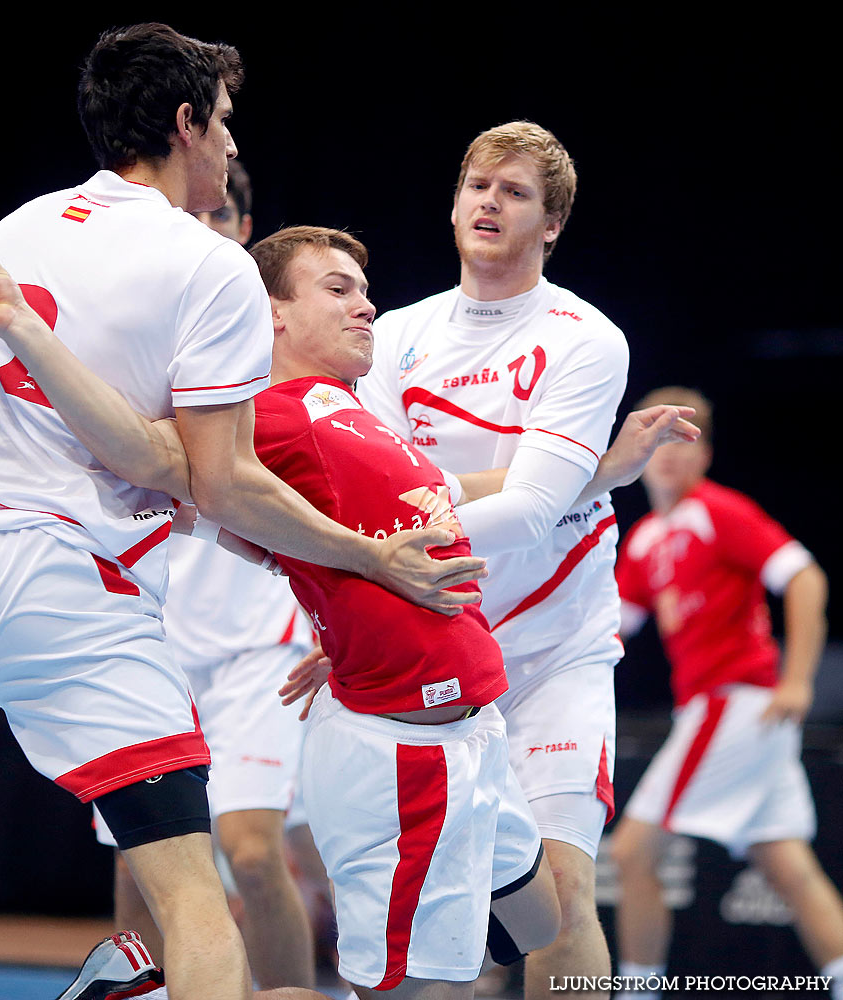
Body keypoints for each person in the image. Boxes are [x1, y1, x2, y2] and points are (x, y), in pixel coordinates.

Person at [0, 25, 486, 1000]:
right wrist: (368, 558)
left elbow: (175, 472)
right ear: (184, 123)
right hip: (65, 575)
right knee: (190, 894)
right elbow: (217, 480)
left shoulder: (16, 225)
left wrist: (207, 496)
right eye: (223, 124)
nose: (231, 147)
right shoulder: (209, 267)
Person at [0, 222, 694, 996]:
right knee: (405, 985)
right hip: (401, 749)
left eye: (367, 291)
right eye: (338, 289)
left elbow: (468, 499)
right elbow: (142, 450)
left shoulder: (355, 412)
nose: (366, 307)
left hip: (475, 729)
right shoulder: (254, 426)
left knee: (538, 921)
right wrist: (19, 326)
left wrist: (602, 472)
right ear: (272, 312)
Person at [356, 120, 630, 1000]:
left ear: (551, 224)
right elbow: (370, 494)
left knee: (560, 889)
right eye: (478, 185)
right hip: (437, 636)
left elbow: (534, 511)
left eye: (514, 193)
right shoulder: (397, 333)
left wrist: (399, 526)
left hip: (555, 649)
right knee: (446, 907)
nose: (489, 203)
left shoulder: (586, 337)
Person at [96, 160, 321, 989]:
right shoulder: (129, 333)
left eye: (227, 215)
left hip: (262, 639)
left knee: (254, 854)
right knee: (140, 861)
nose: (210, 225)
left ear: (244, 233)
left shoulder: (275, 339)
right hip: (151, 628)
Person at [609, 386, 843, 1000]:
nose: (666, 451)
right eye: (656, 434)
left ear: (704, 454)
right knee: (788, 866)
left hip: (734, 704)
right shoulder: (641, 542)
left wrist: (798, 680)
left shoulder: (716, 511)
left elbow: (805, 576)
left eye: (683, 437)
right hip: (727, 712)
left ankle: (637, 992)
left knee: (632, 851)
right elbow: (605, 635)